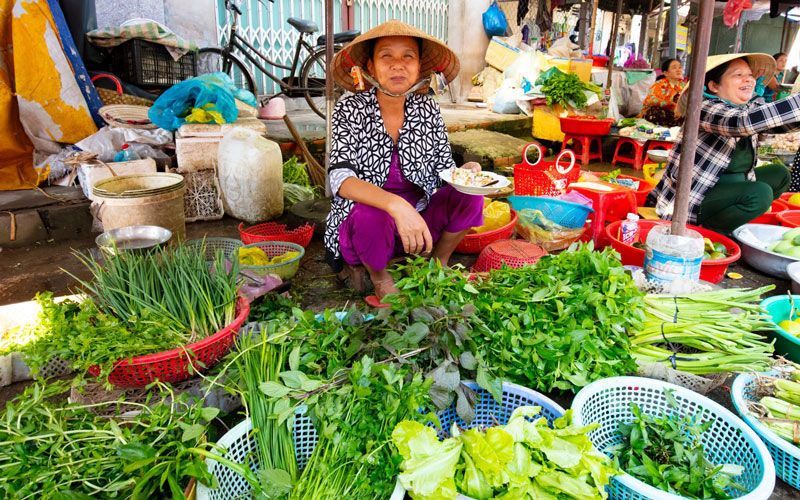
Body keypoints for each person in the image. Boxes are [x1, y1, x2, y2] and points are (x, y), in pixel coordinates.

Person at [325, 20, 484, 301]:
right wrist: (396, 206)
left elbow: (444, 168)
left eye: (407, 56)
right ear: (371, 67)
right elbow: (341, 180)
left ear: (420, 67)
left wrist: (466, 173)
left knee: (469, 196)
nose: (398, 65)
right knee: (370, 213)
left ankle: (439, 262)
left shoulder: (428, 108)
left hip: (419, 221)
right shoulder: (350, 108)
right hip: (367, 226)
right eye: (386, 56)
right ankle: (379, 276)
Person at [648, 53, 800, 234]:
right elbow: (742, 123)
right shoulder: (704, 108)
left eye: (750, 75)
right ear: (713, 86)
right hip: (697, 194)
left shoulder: (746, 108)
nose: (749, 80)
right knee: (760, 193)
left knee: (780, 174)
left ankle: (732, 217)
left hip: (734, 185)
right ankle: (708, 231)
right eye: (738, 75)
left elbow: (778, 124)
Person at [641, 58, 686, 127]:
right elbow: (650, 99)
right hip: (660, 116)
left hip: (676, 115)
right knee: (655, 111)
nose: (678, 70)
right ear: (666, 73)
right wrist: (671, 105)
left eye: (680, 67)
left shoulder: (684, 85)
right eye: (674, 68)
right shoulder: (660, 84)